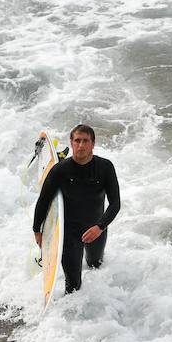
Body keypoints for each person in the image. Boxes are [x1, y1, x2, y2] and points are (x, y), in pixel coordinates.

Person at [32, 124, 120, 294]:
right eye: (77, 141)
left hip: (96, 229)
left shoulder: (105, 167)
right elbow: (43, 201)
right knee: (73, 286)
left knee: (95, 264)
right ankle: (71, 318)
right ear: (71, 143)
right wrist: (37, 230)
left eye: (85, 141)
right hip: (69, 232)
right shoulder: (59, 170)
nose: (81, 145)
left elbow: (115, 203)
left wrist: (100, 227)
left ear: (93, 144)